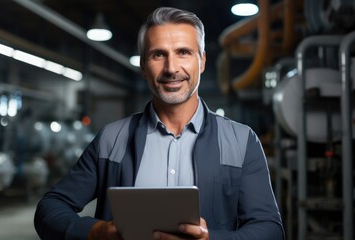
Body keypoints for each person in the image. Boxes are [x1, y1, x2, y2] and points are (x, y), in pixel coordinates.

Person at [34, 7, 285, 240]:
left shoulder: (242, 141)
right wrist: (97, 231)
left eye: (183, 52)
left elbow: (270, 229)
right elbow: (49, 209)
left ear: (203, 61)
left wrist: (212, 239)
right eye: (158, 55)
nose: (171, 68)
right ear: (144, 66)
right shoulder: (112, 139)